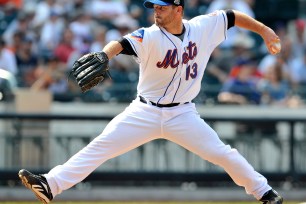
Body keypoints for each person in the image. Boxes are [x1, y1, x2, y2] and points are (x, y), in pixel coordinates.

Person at [18, 0, 283, 204]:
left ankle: (266, 193)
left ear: (178, 9)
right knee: (100, 147)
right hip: (144, 112)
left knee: (223, 154)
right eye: (154, 6)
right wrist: (103, 55)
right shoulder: (150, 34)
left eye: (162, 6)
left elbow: (232, 16)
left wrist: (265, 30)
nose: (156, 10)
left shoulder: (203, 27)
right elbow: (121, 43)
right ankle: (50, 185)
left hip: (183, 115)